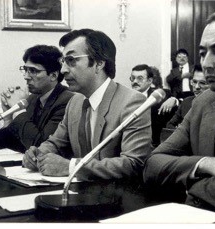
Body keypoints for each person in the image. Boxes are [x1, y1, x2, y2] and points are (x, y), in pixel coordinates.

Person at [143, 8, 215, 219]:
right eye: (202, 53)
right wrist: (205, 163)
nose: (206, 63)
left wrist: (190, 184)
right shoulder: (203, 102)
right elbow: (153, 164)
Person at [23, 29, 153, 181]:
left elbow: (133, 163)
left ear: (98, 63)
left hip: (119, 196)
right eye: (63, 62)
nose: (63, 70)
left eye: (71, 60)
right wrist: (37, 154)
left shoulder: (132, 102)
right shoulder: (75, 101)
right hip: (80, 193)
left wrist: (72, 167)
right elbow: (55, 143)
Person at [0, 45, 74, 153]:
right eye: (25, 70)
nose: (26, 76)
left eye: (33, 71)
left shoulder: (68, 101)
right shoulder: (32, 99)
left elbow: (41, 146)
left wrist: (18, 110)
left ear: (53, 75)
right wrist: (8, 116)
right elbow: (10, 145)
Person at [130, 64, 172, 147]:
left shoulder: (160, 98)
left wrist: (175, 100)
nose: (135, 81)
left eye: (140, 78)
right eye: (132, 78)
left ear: (149, 81)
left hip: (152, 146)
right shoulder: (126, 97)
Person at [166, 64, 209, 128]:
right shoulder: (186, 102)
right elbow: (170, 125)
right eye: (194, 82)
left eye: (202, 83)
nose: (197, 87)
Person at [158, 49, 194, 114]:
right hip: (179, 96)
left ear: (187, 58)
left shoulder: (193, 68)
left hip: (192, 93)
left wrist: (191, 75)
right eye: (179, 57)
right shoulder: (174, 71)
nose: (182, 58)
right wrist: (182, 76)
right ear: (176, 59)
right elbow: (168, 79)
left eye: (184, 57)